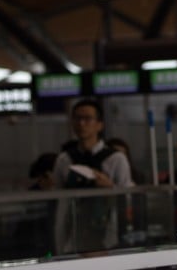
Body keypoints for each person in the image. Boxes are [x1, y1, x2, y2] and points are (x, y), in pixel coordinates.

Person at [52, 98, 134, 254]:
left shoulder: (115, 159)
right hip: (74, 234)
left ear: (99, 124)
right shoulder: (64, 160)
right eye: (77, 118)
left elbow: (129, 196)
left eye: (88, 119)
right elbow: (59, 203)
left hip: (108, 235)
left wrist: (111, 188)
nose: (82, 124)